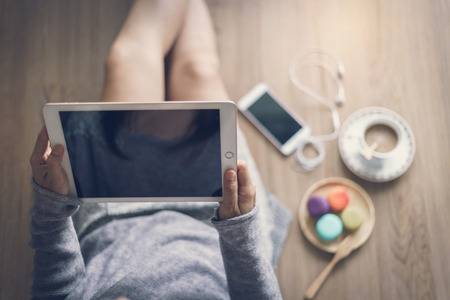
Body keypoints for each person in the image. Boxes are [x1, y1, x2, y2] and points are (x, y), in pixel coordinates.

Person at [29, 0, 291, 299]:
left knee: (126, 60)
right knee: (199, 70)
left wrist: (51, 208)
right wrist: (239, 229)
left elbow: (54, 289)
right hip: (223, 224)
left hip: (115, 219)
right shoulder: (232, 226)